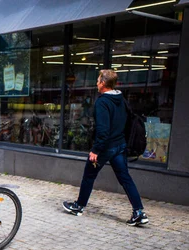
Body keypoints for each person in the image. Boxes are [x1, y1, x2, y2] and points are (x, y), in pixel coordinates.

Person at [63, 69, 148, 226]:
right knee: (125, 178)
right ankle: (139, 212)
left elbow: (103, 130)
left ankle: (78, 207)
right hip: (120, 146)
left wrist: (95, 150)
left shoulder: (102, 102)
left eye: (98, 80)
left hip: (106, 147)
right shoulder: (121, 99)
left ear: (103, 83)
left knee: (89, 175)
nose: (96, 83)